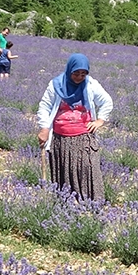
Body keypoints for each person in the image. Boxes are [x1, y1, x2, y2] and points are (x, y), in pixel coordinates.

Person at [36, 53, 113, 201]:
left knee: (87, 168)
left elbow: (106, 101)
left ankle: (91, 202)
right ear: (69, 70)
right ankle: (67, 202)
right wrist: (44, 128)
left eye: (83, 74)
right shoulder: (56, 84)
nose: (79, 77)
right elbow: (45, 106)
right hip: (60, 138)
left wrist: (100, 121)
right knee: (64, 169)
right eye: (76, 73)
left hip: (83, 136)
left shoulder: (90, 84)